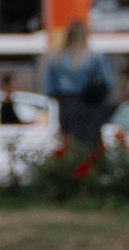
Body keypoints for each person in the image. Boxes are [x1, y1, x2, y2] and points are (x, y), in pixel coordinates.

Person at [43, 17, 115, 157]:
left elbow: (48, 87)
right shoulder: (95, 56)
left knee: (69, 142)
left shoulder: (55, 58)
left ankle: (71, 172)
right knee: (91, 143)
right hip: (90, 103)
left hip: (66, 103)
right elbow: (108, 82)